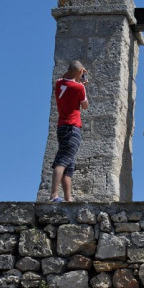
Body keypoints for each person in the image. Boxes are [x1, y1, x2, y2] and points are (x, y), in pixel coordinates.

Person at [49, 60, 89, 202]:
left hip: (62, 127)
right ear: (79, 72)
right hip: (73, 128)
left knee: (69, 164)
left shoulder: (59, 83)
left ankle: (68, 198)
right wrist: (82, 82)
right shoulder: (79, 88)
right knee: (62, 161)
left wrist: (78, 75)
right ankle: (54, 195)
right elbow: (85, 106)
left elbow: (64, 77)